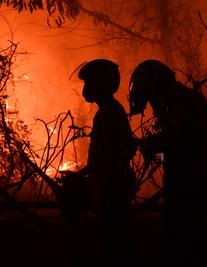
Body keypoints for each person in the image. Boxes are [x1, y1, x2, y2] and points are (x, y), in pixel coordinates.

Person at [128, 60, 207, 266]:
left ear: (155, 86)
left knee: (182, 237)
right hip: (193, 177)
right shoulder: (184, 98)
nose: (152, 105)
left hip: (186, 181)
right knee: (189, 234)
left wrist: (150, 143)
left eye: (149, 97)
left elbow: (180, 137)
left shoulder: (177, 102)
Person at [68, 59, 136, 261]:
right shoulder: (109, 111)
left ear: (100, 84)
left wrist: (94, 183)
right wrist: (81, 175)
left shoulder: (109, 114)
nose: (86, 88)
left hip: (112, 188)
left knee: (111, 245)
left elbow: (111, 157)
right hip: (112, 186)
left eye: (89, 83)